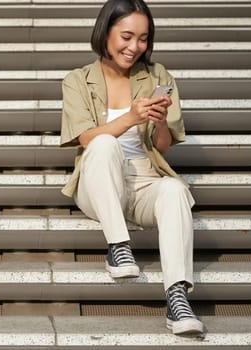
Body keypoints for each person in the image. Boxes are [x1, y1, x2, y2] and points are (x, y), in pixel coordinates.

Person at [59, 0, 204, 336]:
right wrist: (130, 118)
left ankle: (178, 298)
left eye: (143, 38)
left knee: (174, 189)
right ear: (105, 31)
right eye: (126, 36)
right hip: (97, 181)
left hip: (144, 178)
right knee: (105, 144)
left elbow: (163, 146)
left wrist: (161, 120)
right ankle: (118, 248)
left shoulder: (158, 76)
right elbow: (85, 138)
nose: (135, 46)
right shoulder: (78, 80)